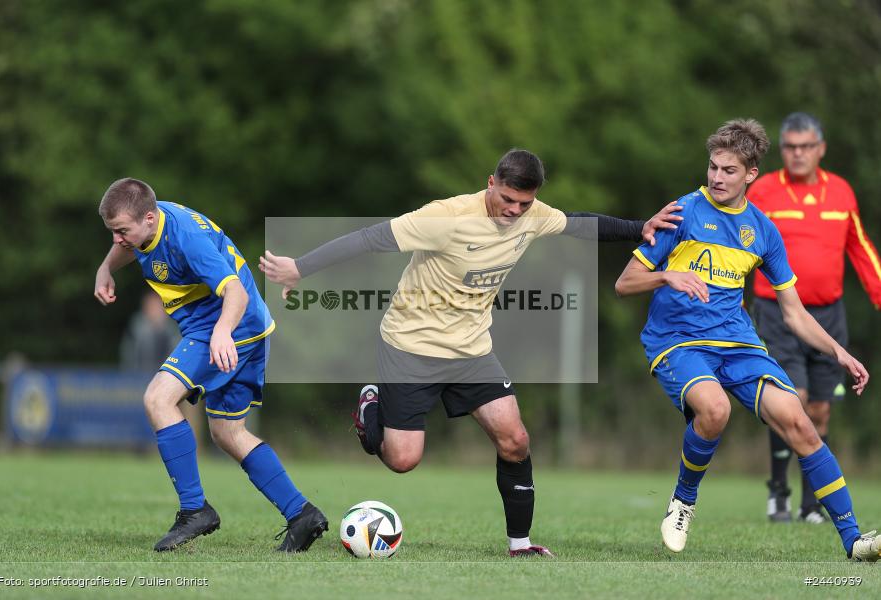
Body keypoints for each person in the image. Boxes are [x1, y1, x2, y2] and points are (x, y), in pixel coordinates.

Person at [260, 149, 682, 557]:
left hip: (471, 350)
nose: (516, 210)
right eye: (508, 199)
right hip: (411, 345)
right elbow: (371, 237)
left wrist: (638, 226)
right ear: (491, 183)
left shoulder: (531, 215)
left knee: (514, 439)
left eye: (525, 202)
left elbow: (576, 223)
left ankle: (520, 546)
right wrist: (300, 268)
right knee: (402, 459)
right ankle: (372, 405)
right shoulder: (447, 217)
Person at [614, 119, 880, 561]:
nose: (717, 177)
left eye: (729, 170)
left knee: (798, 420)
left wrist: (839, 351)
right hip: (678, 341)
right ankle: (683, 500)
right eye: (713, 167)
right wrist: (668, 276)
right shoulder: (682, 212)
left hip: (738, 344)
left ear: (751, 174)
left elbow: (793, 312)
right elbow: (625, 283)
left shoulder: (763, 231)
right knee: (714, 410)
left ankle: (853, 541)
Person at [94, 178, 328, 552]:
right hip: (249, 325)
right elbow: (128, 247)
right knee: (228, 433)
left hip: (228, 324)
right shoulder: (146, 225)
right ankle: (302, 514)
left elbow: (233, 289)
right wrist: (106, 267)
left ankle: (195, 510)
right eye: (112, 232)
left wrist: (221, 332)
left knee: (158, 399)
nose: (118, 239)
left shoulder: (186, 238)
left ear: (150, 219)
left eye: (121, 231)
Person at [747, 112, 881, 524]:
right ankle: (778, 492)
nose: (798, 153)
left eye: (806, 146)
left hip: (828, 315)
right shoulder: (764, 191)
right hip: (777, 312)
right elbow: (739, 243)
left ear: (820, 149)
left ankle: (811, 503)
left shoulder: (840, 193)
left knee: (820, 411)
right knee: (794, 401)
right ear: (782, 149)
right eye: (790, 146)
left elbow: (861, 249)